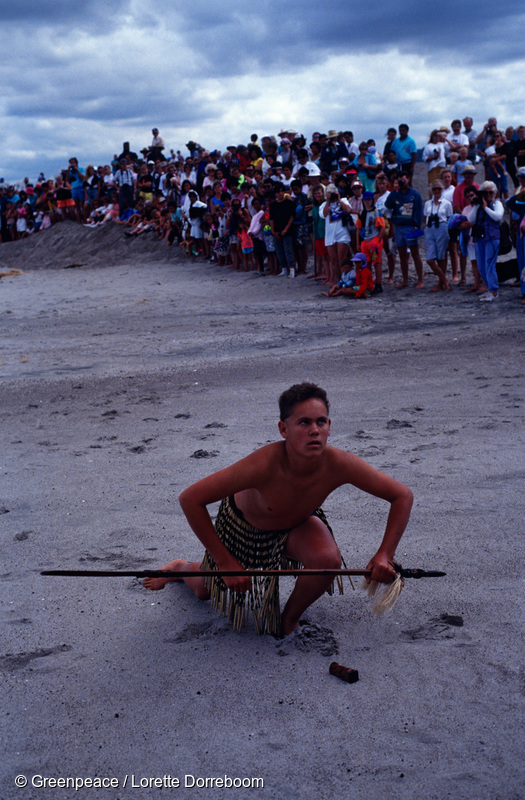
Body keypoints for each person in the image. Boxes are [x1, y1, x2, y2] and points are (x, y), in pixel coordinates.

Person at [144, 382, 413, 636]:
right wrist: (225, 564)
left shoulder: (340, 464)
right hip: (243, 530)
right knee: (205, 590)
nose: (314, 430)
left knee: (327, 561)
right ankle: (180, 569)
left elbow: (402, 495)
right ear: (284, 429)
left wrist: (384, 555)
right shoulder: (262, 465)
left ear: (329, 426)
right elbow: (190, 499)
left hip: (298, 523)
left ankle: (288, 620)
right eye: (304, 422)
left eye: (321, 422)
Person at [384, 172, 424, 288]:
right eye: (399, 180)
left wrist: (416, 227)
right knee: (402, 254)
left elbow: (419, 212)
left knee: (415, 253)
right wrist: (394, 190)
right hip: (398, 227)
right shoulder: (396, 194)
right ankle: (405, 279)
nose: (402, 182)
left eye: (403, 180)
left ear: (408, 179)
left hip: (410, 226)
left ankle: (420, 280)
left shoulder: (415, 194)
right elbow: (388, 205)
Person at [467, 181, 504, 301]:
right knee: (481, 266)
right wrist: (477, 206)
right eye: (485, 192)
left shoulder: (497, 204)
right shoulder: (479, 205)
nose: (488, 195)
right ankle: (489, 289)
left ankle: (494, 291)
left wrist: (485, 208)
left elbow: (498, 216)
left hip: (492, 238)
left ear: (494, 193)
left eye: (490, 192)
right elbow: (471, 219)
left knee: (489, 265)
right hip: (480, 238)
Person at [423, 181, 452, 291]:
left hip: (442, 227)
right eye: (435, 189)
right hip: (430, 228)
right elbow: (425, 217)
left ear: (442, 190)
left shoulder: (446, 203)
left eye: (439, 189)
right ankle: (445, 279)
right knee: (430, 259)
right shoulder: (427, 204)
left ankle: (441, 283)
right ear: (432, 190)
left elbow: (449, 218)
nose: (437, 191)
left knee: (441, 257)